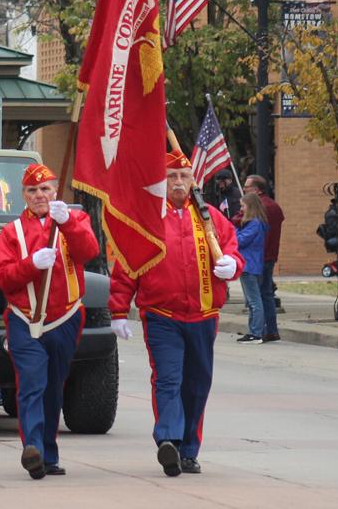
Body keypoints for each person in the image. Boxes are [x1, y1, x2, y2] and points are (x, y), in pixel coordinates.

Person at [109, 150, 243, 478]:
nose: (179, 182)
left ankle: (188, 451)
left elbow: (233, 252)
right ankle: (168, 438)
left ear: (193, 180)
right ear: (162, 181)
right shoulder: (148, 219)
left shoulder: (210, 218)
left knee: (197, 384)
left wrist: (232, 266)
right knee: (168, 379)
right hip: (161, 313)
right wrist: (118, 309)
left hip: (203, 314)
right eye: (172, 176)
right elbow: (127, 266)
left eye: (184, 176)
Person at [0, 163, 99, 479]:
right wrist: (31, 265)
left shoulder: (74, 220)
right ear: (23, 196)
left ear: (56, 191)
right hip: (26, 320)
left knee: (54, 387)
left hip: (64, 318)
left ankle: (49, 454)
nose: (39, 195)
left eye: (45, 189)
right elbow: (3, 278)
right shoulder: (12, 233)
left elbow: (88, 251)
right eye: (32, 191)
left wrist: (68, 225)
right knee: (31, 383)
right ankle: (33, 447)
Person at [242, 174, 284, 343]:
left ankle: (258, 330)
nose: (244, 190)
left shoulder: (259, 209)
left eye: (247, 187)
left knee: (256, 297)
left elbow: (246, 233)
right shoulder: (274, 206)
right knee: (266, 294)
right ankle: (271, 330)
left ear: (256, 190)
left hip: (258, 257)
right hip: (269, 255)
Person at [235, 193, 269, 344]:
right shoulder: (256, 223)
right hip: (252, 263)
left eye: (243, 206)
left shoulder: (255, 223)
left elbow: (240, 240)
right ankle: (254, 331)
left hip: (249, 264)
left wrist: (232, 229)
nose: (241, 209)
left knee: (254, 301)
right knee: (252, 301)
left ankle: (256, 333)